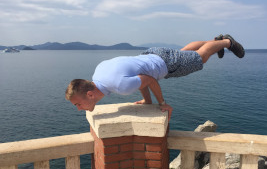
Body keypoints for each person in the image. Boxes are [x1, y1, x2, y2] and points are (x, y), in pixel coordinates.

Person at [65, 34, 245, 121]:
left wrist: (162, 103)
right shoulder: (98, 72)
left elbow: (149, 80)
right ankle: (216, 42)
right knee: (185, 53)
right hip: (152, 54)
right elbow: (139, 78)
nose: (79, 109)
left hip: (164, 64)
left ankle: (227, 42)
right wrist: (147, 101)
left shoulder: (120, 86)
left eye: (77, 104)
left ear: (89, 95)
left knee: (200, 58)